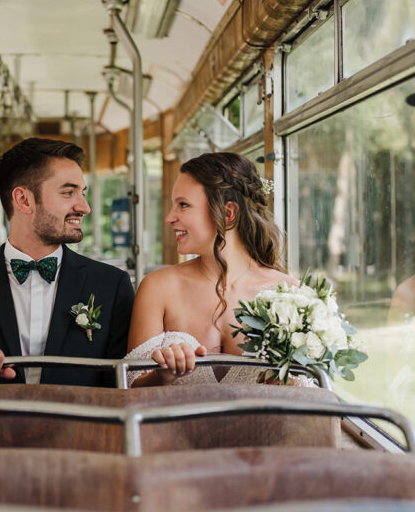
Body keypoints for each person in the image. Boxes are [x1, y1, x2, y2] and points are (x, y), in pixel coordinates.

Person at [0, 137, 135, 387]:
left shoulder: (111, 285)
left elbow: (126, 385)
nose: (84, 207)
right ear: (23, 200)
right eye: (68, 192)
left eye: (82, 192)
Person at [126, 152, 297, 386]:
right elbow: (131, 386)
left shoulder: (288, 293)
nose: (169, 218)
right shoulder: (157, 287)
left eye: (183, 205)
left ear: (228, 213)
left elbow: (310, 391)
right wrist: (161, 376)